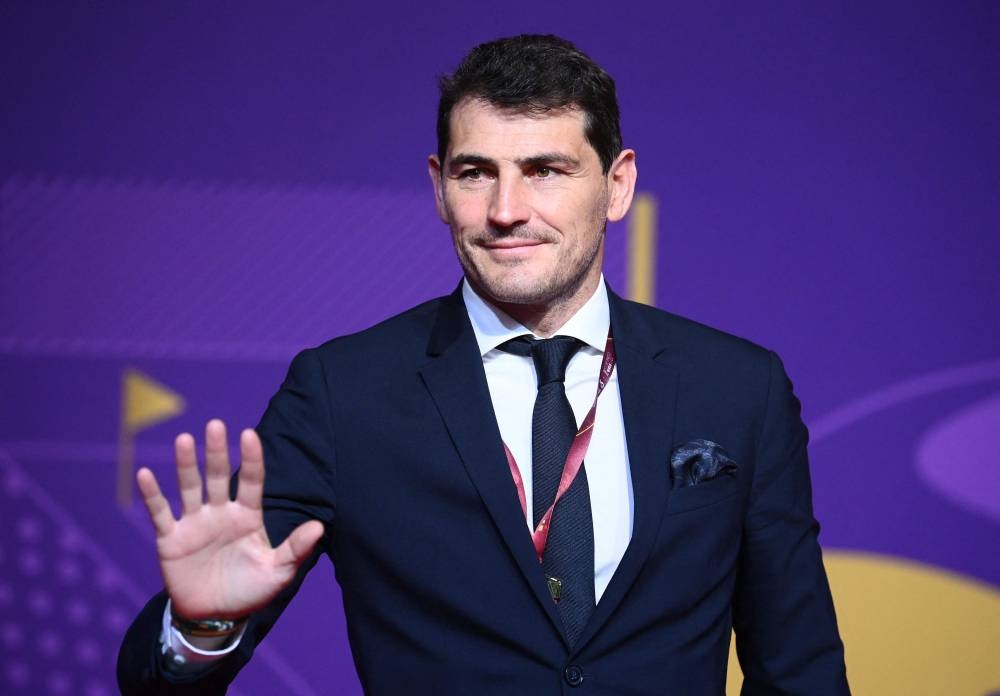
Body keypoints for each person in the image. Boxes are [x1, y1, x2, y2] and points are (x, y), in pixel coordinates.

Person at [118, 34, 849, 694]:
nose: (506, 209)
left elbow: (801, 672)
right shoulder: (342, 393)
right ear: (439, 186)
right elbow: (158, 686)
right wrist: (202, 632)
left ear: (617, 184)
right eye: (476, 173)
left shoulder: (738, 388)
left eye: (545, 170)